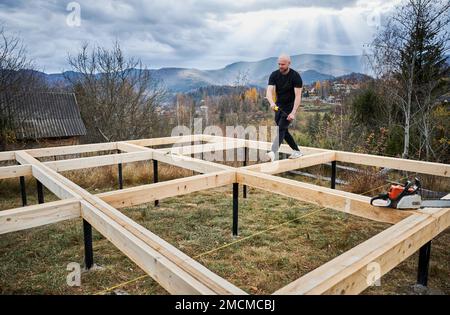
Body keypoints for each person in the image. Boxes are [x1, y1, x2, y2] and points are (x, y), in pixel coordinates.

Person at [265, 54, 304, 162]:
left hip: (290, 107)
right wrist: (272, 102)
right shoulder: (274, 75)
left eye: (283, 64)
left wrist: (293, 112)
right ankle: (297, 150)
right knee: (283, 130)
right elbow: (269, 91)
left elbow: (298, 96)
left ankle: (273, 152)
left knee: (281, 128)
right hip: (278, 106)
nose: (280, 66)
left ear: (289, 63)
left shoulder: (295, 76)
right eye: (279, 64)